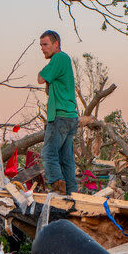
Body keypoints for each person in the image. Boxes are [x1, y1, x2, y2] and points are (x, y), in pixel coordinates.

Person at [37, 30, 78, 195]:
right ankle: (71, 193)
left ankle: (58, 190)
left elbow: (40, 79)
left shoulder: (59, 58)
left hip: (59, 116)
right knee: (66, 159)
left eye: (45, 44)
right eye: (40, 45)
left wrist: (45, 75)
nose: (42, 49)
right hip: (70, 116)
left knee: (48, 153)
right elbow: (48, 87)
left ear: (56, 44)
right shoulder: (64, 60)